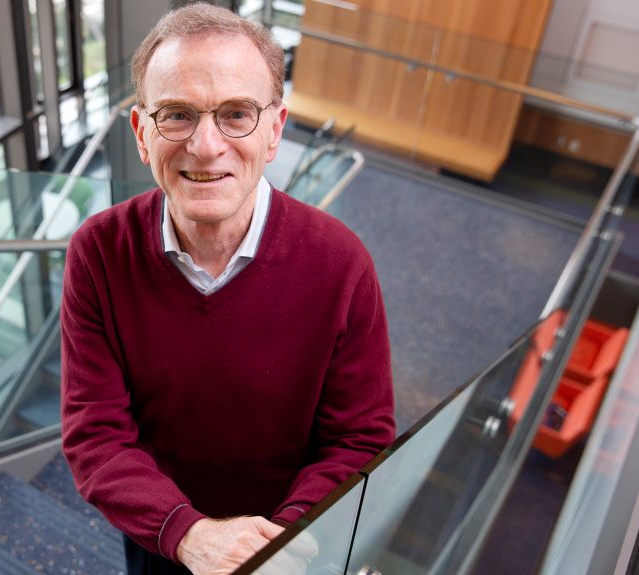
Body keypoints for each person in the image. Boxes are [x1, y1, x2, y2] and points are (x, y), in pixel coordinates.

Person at [60, 4, 395, 574]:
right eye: (177, 115)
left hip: (292, 545)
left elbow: (360, 440)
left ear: (274, 131)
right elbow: (96, 435)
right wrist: (186, 534)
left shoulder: (342, 265)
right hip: (163, 538)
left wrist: (284, 541)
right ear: (143, 135)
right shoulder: (98, 253)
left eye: (236, 114)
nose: (207, 145)